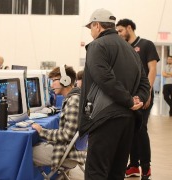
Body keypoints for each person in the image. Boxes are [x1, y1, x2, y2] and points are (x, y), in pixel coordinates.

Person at [79, 9, 150, 180]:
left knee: (97, 172)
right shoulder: (131, 49)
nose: (90, 31)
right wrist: (137, 100)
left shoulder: (97, 46)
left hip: (105, 118)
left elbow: (104, 78)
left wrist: (128, 100)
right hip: (128, 120)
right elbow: (144, 82)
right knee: (116, 172)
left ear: (97, 25)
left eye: (91, 27)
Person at [116, 18, 160, 180]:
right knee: (131, 130)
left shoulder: (147, 45)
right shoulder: (124, 48)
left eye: (120, 30)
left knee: (141, 130)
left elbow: (153, 69)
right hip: (128, 98)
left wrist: (146, 93)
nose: (118, 34)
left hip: (143, 96)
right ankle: (133, 165)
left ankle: (146, 168)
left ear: (129, 28)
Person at [32, 65, 85, 171]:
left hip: (69, 154)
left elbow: (66, 134)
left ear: (65, 80)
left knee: (24, 153)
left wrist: (42, 131)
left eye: (54, 81)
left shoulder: (73, 100)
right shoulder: (73, 98)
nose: (51, 86)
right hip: (71, 150)